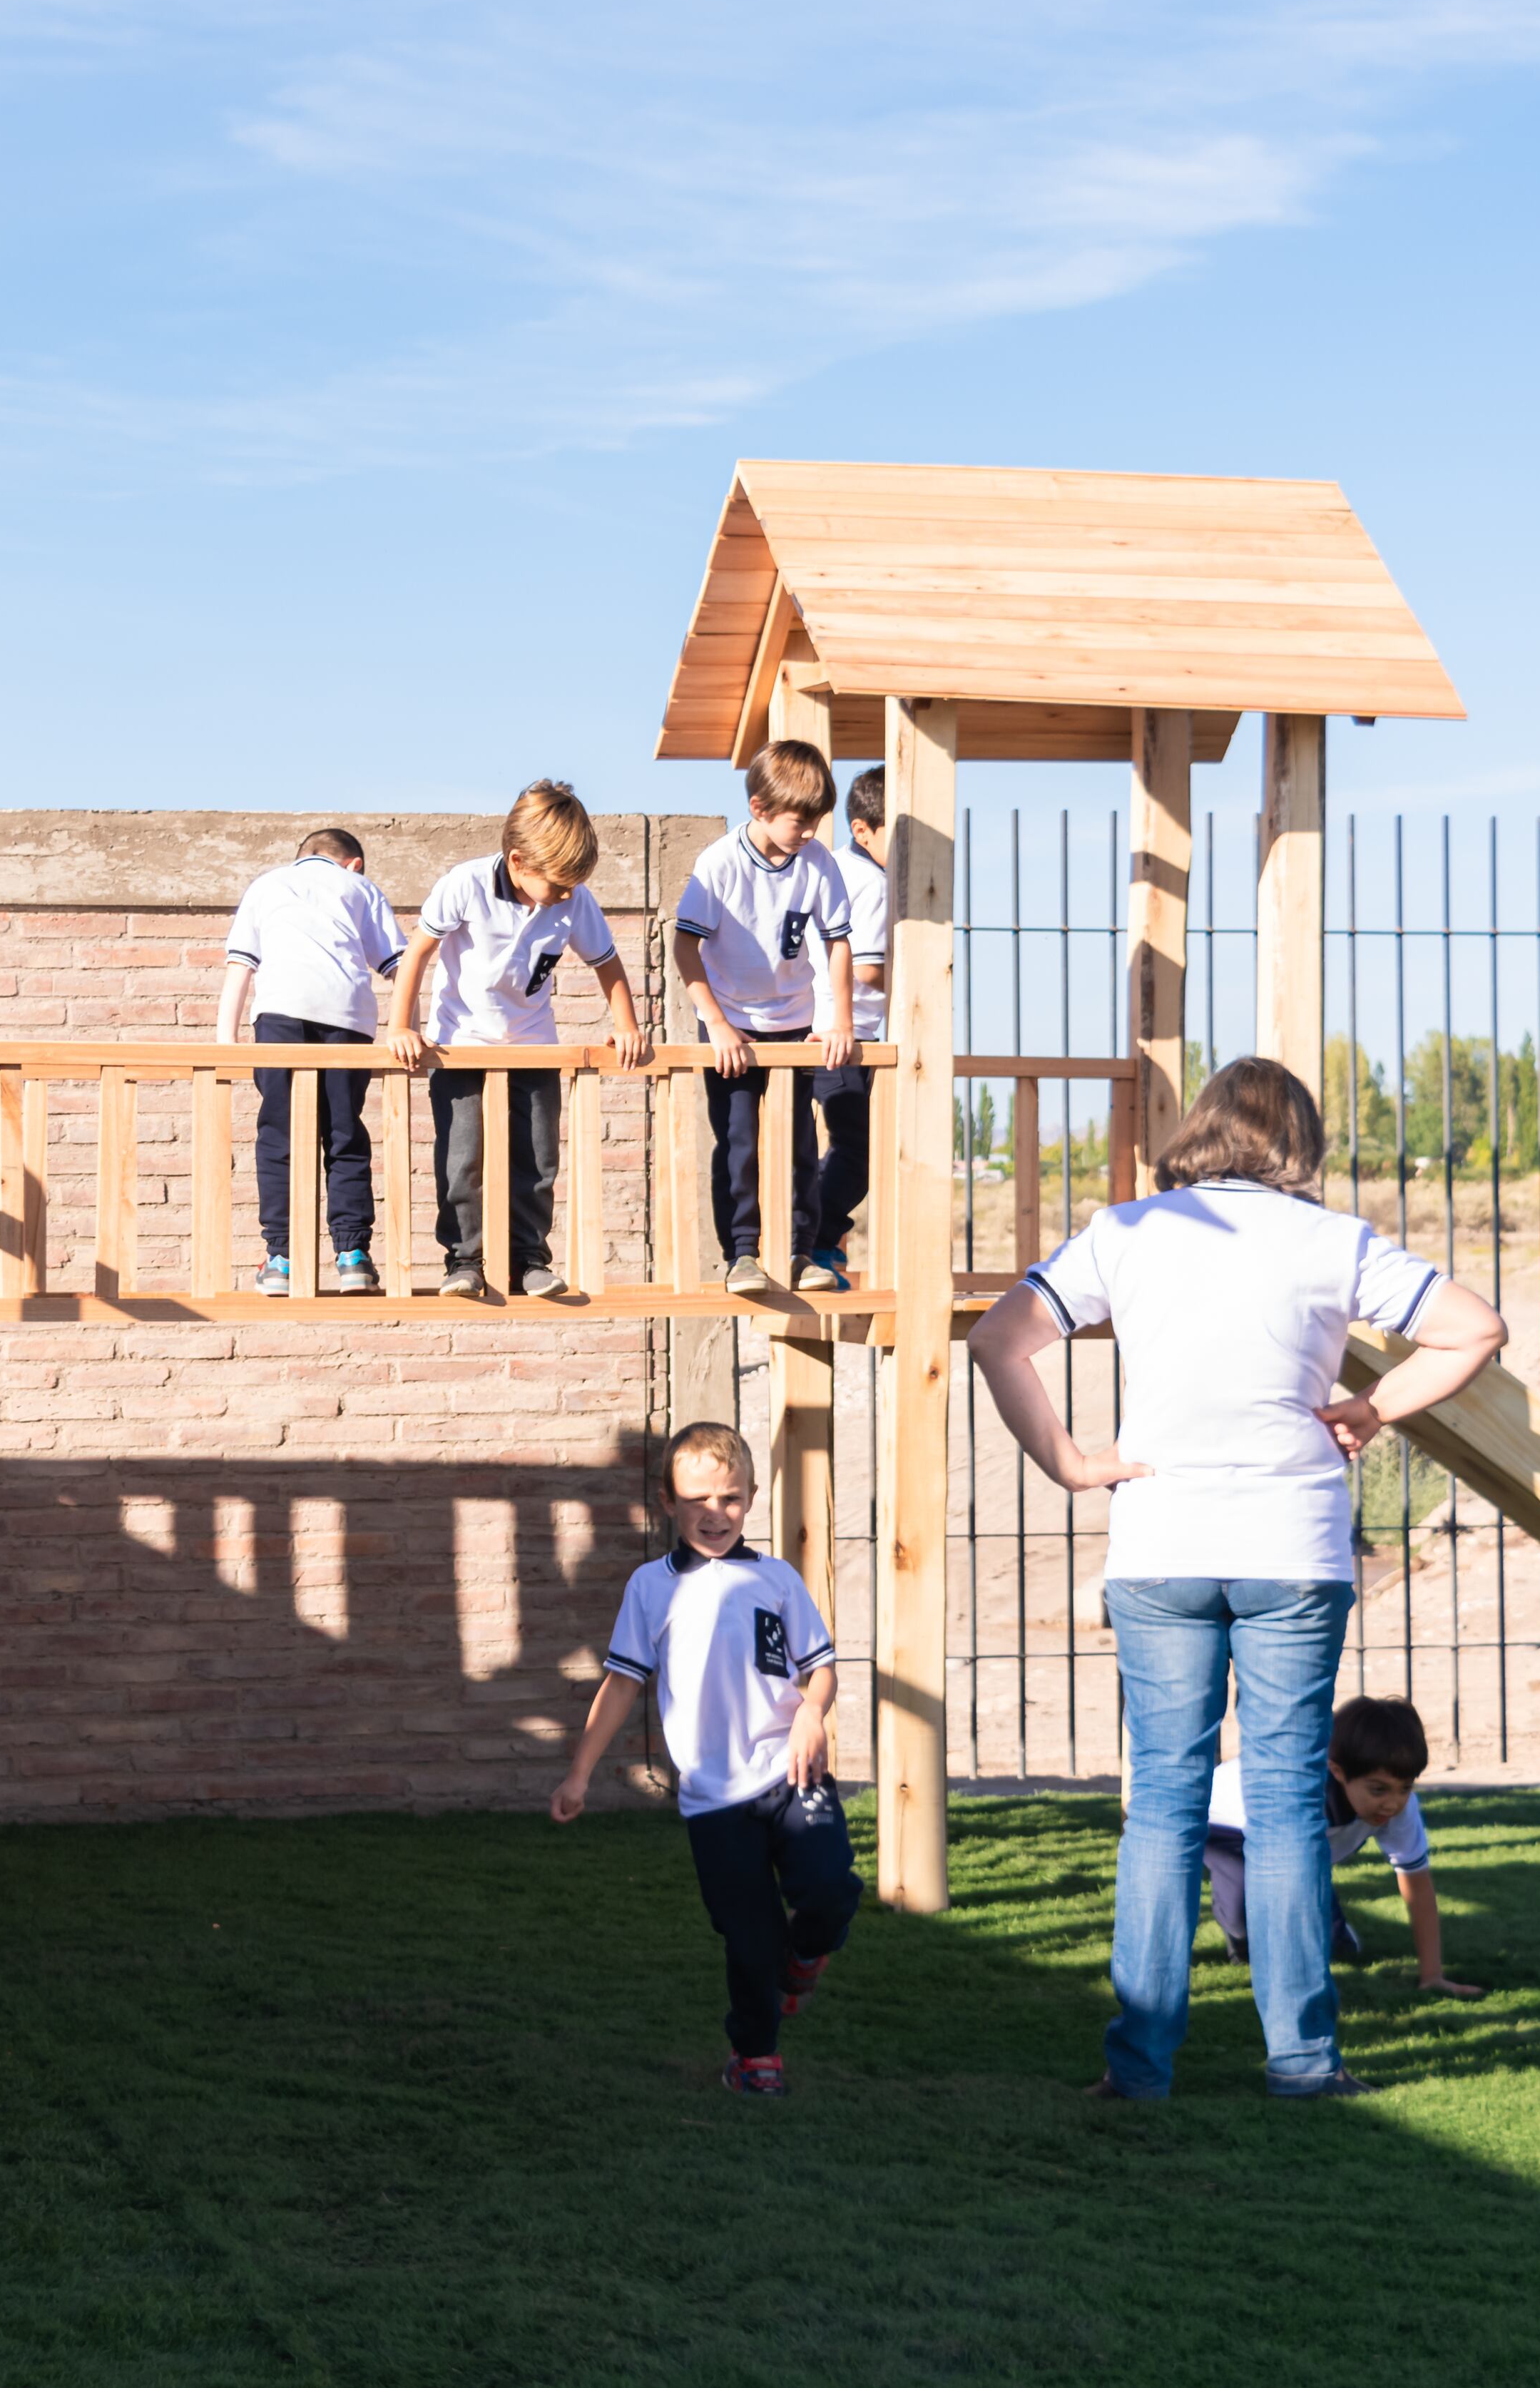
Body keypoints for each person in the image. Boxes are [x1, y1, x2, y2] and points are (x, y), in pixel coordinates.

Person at [966, 1057, 1506, 2100]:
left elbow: (1000, 1339)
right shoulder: (1331, 1238)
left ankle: (1140, 2064)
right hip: (1293, 1549)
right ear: (1299, 1142)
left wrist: (1072, 1462)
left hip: (1161, 1542)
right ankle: (1304, 2060)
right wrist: (1377, 1406)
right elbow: (1475, 1326)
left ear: (1201, 1128)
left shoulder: (1125, 1230)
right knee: (1288, 1805)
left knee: (1162, 1806)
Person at [551, 1421, 859, 2096]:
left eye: (731, 1499)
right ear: (667, 1503)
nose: (715, 1514)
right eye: (698, 1501)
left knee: (831, 1888)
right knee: (747, 1937)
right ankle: (754, 2055)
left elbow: (822, 1667)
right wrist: (579, 1772)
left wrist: (812, 1712)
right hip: (715, 1800)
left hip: (791, 1772)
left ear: (750, 1497)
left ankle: (805, 1956)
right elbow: (622, 1683)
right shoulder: (649, 1588)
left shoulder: (776, 1578)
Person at [381, 783, 649, 1300]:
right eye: (559, 885)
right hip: (462, 1044)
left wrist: (627, 1024)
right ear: (519, 861)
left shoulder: (574, 900)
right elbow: (416, 955)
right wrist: (401, 1025)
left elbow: (606, 962)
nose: (567, 894)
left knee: (538, 1158)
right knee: (464, 1161)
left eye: (574, 885)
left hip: (533, 1043)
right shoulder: (467, 884)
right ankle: (465, 1260)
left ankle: (529, 1259)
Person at [671, 738, 855, 1294]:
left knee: (800, 1141)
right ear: (760, 810)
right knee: (739, 1140)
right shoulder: (720, 863)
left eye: (817, 822)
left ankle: (801, 1251)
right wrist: (718, 1023)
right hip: (732, 1024)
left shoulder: (818, 863)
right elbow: (683, 948)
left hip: (795, 1022)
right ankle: (743, 1254)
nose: (809, 833)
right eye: (800, 822)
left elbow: (838, 942)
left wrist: (839, 1018)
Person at [217, 828, 404, 1295]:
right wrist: (407, 1033)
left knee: (279, 1132)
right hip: (348, 1018)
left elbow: (241, 967)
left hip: (280, 1013)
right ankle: (353, 1255)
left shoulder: (266, 884)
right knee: (344, 1133)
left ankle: (282, 1258)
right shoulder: (360, 887)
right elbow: (401, 967)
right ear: (354, 863)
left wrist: (226, 1043)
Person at [1202, 1696, 1484, 2000]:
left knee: (1332, 1946)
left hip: (1304, 1853)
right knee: (1248, 1914)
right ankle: (1240, 1938)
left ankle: (1326, 1928)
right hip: (1225, 1825)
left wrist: (1432, 1976)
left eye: (1406, 1787)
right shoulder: (1301, 1792)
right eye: (1378, 1789)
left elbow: (1418, 1885)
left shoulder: (1399, 1808)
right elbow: (1286, 1881)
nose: (1393, 1802)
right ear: (1337, 1771)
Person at [804, 764, 890, 1290]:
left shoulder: (830, 866)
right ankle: (815, 1239)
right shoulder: (875, 884)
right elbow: (869, 969)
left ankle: (812, 1239)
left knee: (816, 1143)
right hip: (848, 1034)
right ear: (863, 830)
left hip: (807, 1022)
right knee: (857, 1151)